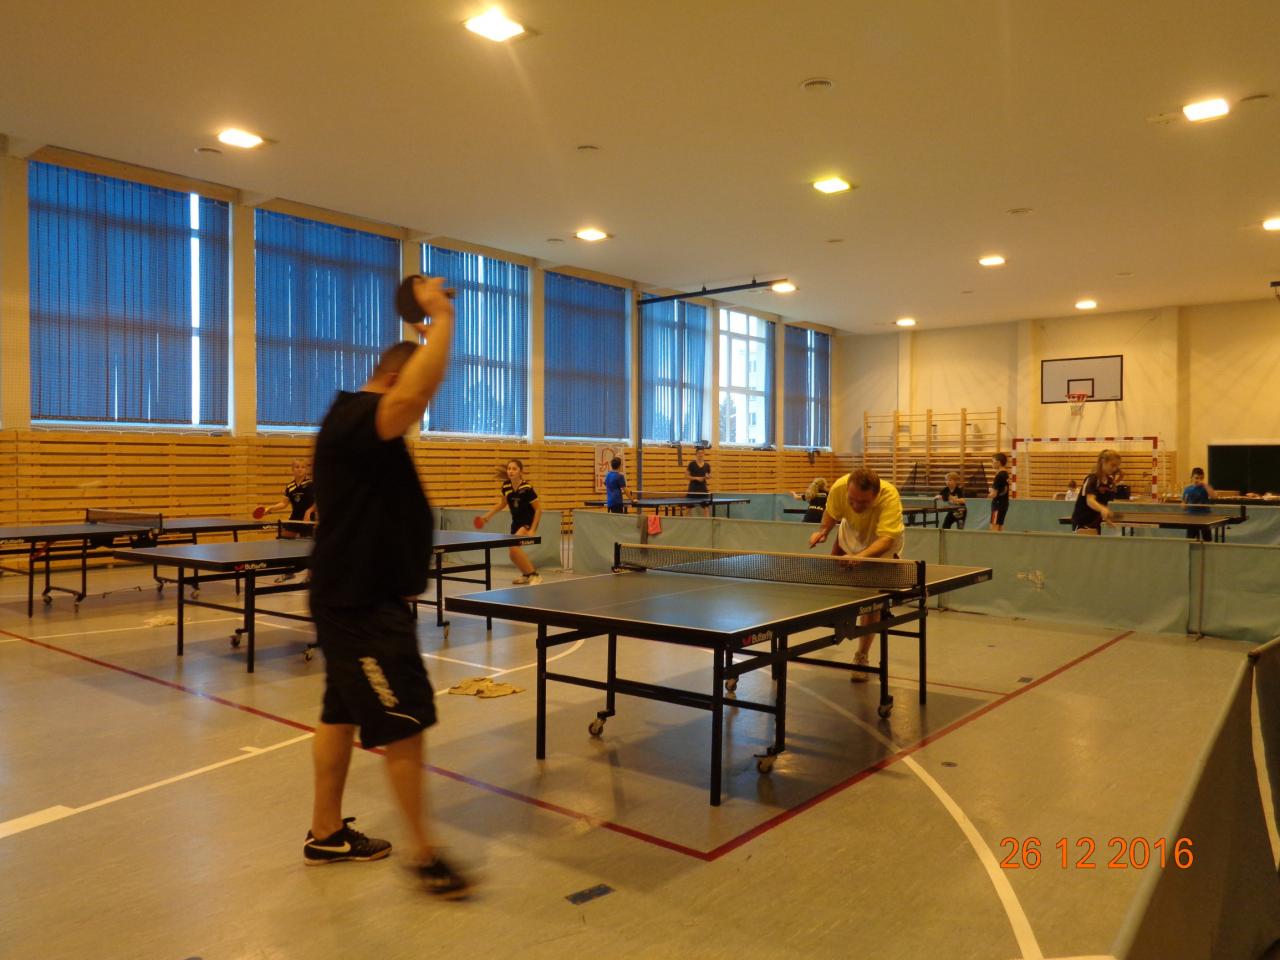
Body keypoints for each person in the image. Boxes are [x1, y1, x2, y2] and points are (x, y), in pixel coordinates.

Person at [305, 275, 471, 899]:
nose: (421, 411)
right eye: (415, 392)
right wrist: (440, 318)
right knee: (402, 719)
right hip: (361, 607)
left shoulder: (367, 432)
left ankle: (326, 833)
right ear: (396, 378)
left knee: (340, 713)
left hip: (353, 598)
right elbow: (419, 389)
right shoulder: (356, 419)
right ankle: (425, 856)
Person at [806, 469, 905, 681]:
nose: (857, 506)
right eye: (852, 500)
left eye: (864, 502)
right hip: (851, 535)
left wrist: (859, 558)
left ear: (876, 494)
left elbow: (886, 539)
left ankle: (862, 655)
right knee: (837, 582)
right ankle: (847, 618)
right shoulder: (839, 487)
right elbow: (831, 513)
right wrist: (823, 531)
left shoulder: (890, 497)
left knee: (872, 601)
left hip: (881, 543)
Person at [478, 459, 542, 584]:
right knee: (513, 554)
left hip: (527, 521)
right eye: (509, 469)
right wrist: (488, 515)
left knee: (514, 546)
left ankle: (535, 575)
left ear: (520, 471)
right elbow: (502, 504)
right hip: (516, 522)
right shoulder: (506, 486)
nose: (511, 471)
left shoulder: (527, 488)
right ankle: (526, 575)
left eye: (514, 469)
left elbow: (538, 509)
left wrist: (533, 529)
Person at [1070, 449, 1122, 534]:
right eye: (1112, 465)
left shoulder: (1109, 482)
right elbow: (1090, 501)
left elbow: (1103, 503)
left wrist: (1106, 518)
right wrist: (1102, 509)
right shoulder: (1092, 479)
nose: (1115, 469)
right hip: (1082, 522)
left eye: (1117, 466)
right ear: (1103, 462)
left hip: (1095, 523)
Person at [262, 458, 316, 538]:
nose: (300, 469)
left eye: (303, 467)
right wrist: (270, 508)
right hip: (294, 518)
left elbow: (319, 501)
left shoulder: (311, 484)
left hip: (308, 519)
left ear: (306, 470)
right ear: (292, 470)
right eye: (297, 467)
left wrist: (309, 511)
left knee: (305, 542)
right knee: (283, 539)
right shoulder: (290, 486)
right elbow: (284, 503)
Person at [1182, 467, 1216, 541]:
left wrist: (1204, 484)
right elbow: (1184, 504)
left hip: (1205, 517)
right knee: (1190, 540)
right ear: (1192, 478)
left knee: (1207, 539)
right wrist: (1184, 505)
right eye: (1196, 478)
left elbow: (1213, 496)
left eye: (1201, 478)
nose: (1198, 480)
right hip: (1191, 517)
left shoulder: (1206, 488)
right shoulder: (1187, 489)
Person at [686, 447, 712, 515]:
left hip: (703, 489)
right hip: (693, 489)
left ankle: (707, 521)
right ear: (696, 454)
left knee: (706, 507)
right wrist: (696, 478)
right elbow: (687, 476)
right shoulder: (691, 464)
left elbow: (709, 475)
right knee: (688, 507)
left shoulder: (707, 465)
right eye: (699, 453)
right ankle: (684, 520)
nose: (700, 454)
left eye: (702, 453)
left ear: (704, 454)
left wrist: (708, 476)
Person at [989, 453, 1010, 531]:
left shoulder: (999, 476)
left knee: (994, 527)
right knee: (1000, 527)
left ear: (998, 462)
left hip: (997, 505)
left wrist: (987, 494)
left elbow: (994, 495)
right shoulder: (1005, 474)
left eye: (993, 461)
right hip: (1004, 503)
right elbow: (1004, 490)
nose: (992, 464)